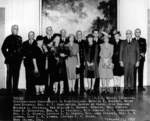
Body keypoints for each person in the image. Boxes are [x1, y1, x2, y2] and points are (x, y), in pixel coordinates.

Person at [1, 25, 22, 95]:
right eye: (14, 29)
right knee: (9, 75)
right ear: (12, 30)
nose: (16, 30)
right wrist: (8, 56)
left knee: (16, 75)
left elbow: (20, 49)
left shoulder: (20, 38)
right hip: (10, 60)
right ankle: (9, 91)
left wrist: (21, 57)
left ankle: (15, 90)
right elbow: (3, 48)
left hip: (18, 60)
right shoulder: (8, 38)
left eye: (17, 29)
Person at [120, 30, 140, 94]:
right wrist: (120, 61)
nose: (128, 34)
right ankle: (125, 88)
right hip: (125, 61)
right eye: (127, 33)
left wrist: (138, 61)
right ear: (126, 35)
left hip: (133, 61)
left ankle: (131, 88)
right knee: (126, 75)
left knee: (132, 75)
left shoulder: (135, 42)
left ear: (131, 34)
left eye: (129, 33)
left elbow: (138, 52)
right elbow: (121, 52)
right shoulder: (123, 42)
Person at [22, 31, 37, 97]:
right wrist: (24, 56)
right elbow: (22, 52)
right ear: (28, 36)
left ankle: (33, 90)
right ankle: (28, 90)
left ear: (34, 36)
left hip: (34, 63)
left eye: (32, 35)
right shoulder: (24, 43)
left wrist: (28, 54)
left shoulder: (36, 43)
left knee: (34, 77)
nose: (31, 36)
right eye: (29, 35)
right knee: (27, 76)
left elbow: (36, 53)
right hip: (27, 63)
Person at [43, 26, 54, 97]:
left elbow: (55, 48)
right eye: (48, 30)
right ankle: (46, 89)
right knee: (45, 75)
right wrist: (48, 46)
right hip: (45, 60)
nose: (49, 31)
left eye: (51, 30)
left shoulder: (54, 39)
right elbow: (43, 48)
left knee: (52, 75)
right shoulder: (43, 39)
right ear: (46, 31)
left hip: (53, 60)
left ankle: (51, 89)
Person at [76, 30, 85, 96]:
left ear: (81, 35)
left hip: (82, 61)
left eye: (80, 34)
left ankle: (82, 88)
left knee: (82, 75)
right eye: (78, 34)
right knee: (76, 74)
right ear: (76, 35)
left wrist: (84, 61)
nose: (79, 35)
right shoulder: (74, 42)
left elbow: (85, 52)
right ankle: (75, 88)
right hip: (75, 61)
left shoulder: (84, 42)